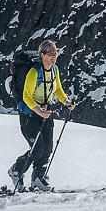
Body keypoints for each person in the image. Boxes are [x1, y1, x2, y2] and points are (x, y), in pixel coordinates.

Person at [8, 39, 75, 192]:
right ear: (42, 54)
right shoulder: (34, 72)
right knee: (37, 149)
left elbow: (57, 89)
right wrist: (39, 111)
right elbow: (26, 96)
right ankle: (16, 170)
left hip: (45, 113)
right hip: (30, 115)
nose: (54, 56)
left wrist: (66, 102)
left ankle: (38, 178)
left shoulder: (54, 70)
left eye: (56, 53)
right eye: (51, 53)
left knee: (48, 149)